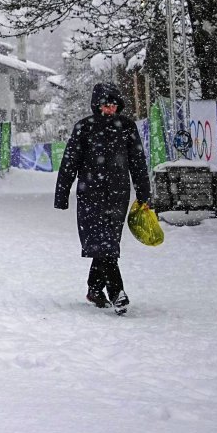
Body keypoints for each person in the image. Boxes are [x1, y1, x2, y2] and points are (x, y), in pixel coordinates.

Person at [54, 82, 152, 315]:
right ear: (96, 105)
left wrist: (144, 194)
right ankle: (117, 292)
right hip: (90, 194)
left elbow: (138, 162)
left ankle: (95, 288)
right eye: (105, 105)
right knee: (103, 243)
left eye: (114, 105)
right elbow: (69, 163)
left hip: (118, 195)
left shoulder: (127, 127)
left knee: (108, 244)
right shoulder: (84, 128)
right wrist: (62, 194)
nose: (110, 110)